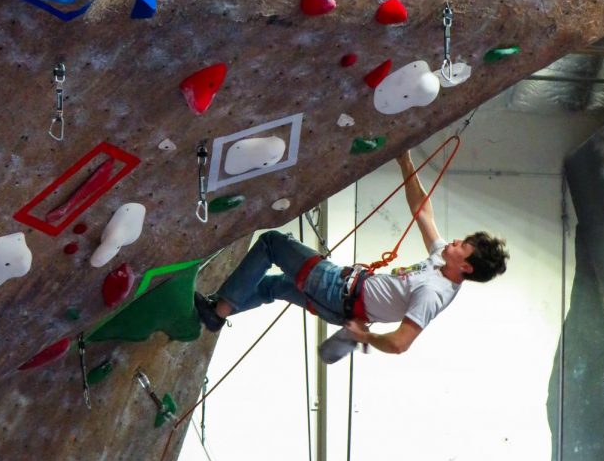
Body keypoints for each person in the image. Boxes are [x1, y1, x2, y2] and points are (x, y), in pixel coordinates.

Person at [195, 150, 509, 363]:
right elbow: (422, 212)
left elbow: (401, 343)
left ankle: (219, 310)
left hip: (335, 288)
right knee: (274, 287)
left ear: (465, 266)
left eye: (462, 245)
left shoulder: (433, 294)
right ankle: (216, 310)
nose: (454, 241)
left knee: (272, 243)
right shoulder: (443, 259)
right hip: (342, 303)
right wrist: (405, 163)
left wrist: (366, 337)